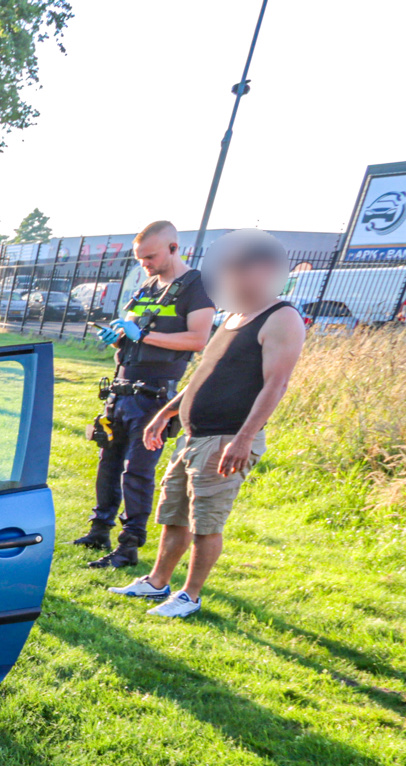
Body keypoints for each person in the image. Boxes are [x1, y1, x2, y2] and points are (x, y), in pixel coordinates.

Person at [108, 229, 304, 618]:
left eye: (236, 272)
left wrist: (243, 438)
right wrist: (165, 414)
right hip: (194, 437)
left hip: (227, 438)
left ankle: (189, 595)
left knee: (205, 522)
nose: (228, 281)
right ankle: (157, 582)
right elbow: (203, 375)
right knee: (173, 513)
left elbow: (276, 385)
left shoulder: (282, 318)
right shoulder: (233, 316)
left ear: (264, 273)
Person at [76, 221, 216, 569]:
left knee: (137, 472)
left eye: (150, 257)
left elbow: (198, 340)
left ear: (173, 248)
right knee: (108, 466)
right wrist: (118, 336)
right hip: (121, 391)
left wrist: (142, 336)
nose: (145, 265)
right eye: (140, 260)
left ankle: (128, 546)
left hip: (154, 396)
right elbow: (130, 330)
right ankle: (99, 530)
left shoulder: (198, 287)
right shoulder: (148, 287)